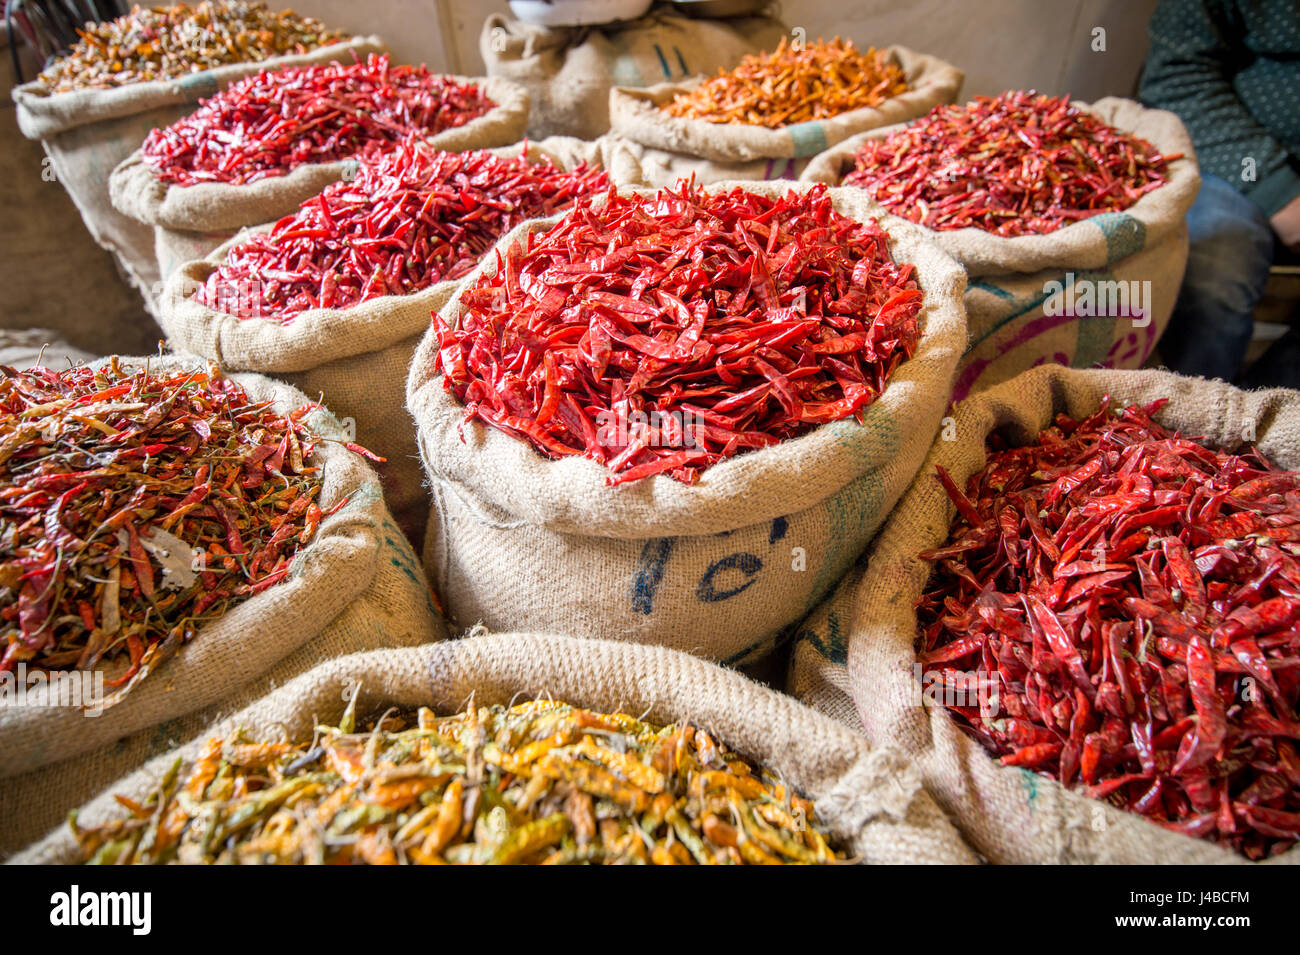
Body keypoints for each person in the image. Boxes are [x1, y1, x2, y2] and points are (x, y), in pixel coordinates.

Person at [1139, 0, 1300, 387]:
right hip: (1233, 155)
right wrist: (1280, 194)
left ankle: (1258, 425)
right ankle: (1182, 427)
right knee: (1214, 286)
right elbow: (1176, 76)